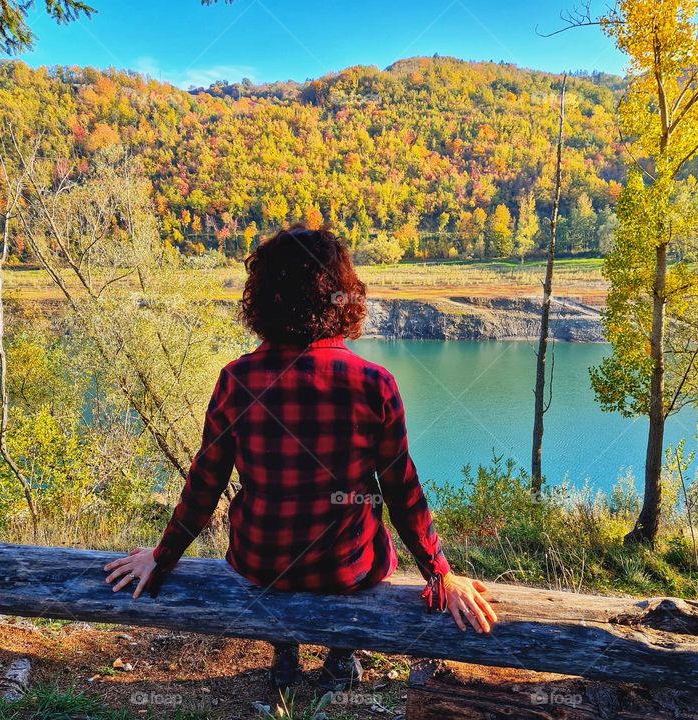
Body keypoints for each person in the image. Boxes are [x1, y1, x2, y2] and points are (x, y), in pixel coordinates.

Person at [104, 226, 497, 692]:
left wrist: (162, 556)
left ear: (263, 299)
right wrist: (441, 574)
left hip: (261, 562)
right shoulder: (375, 383)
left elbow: (205, 483)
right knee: (363, 518)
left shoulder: (237, 380)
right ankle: (340, 657)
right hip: (348, 568)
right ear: (343, 297)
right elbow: (401, 491)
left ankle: (285, 653)